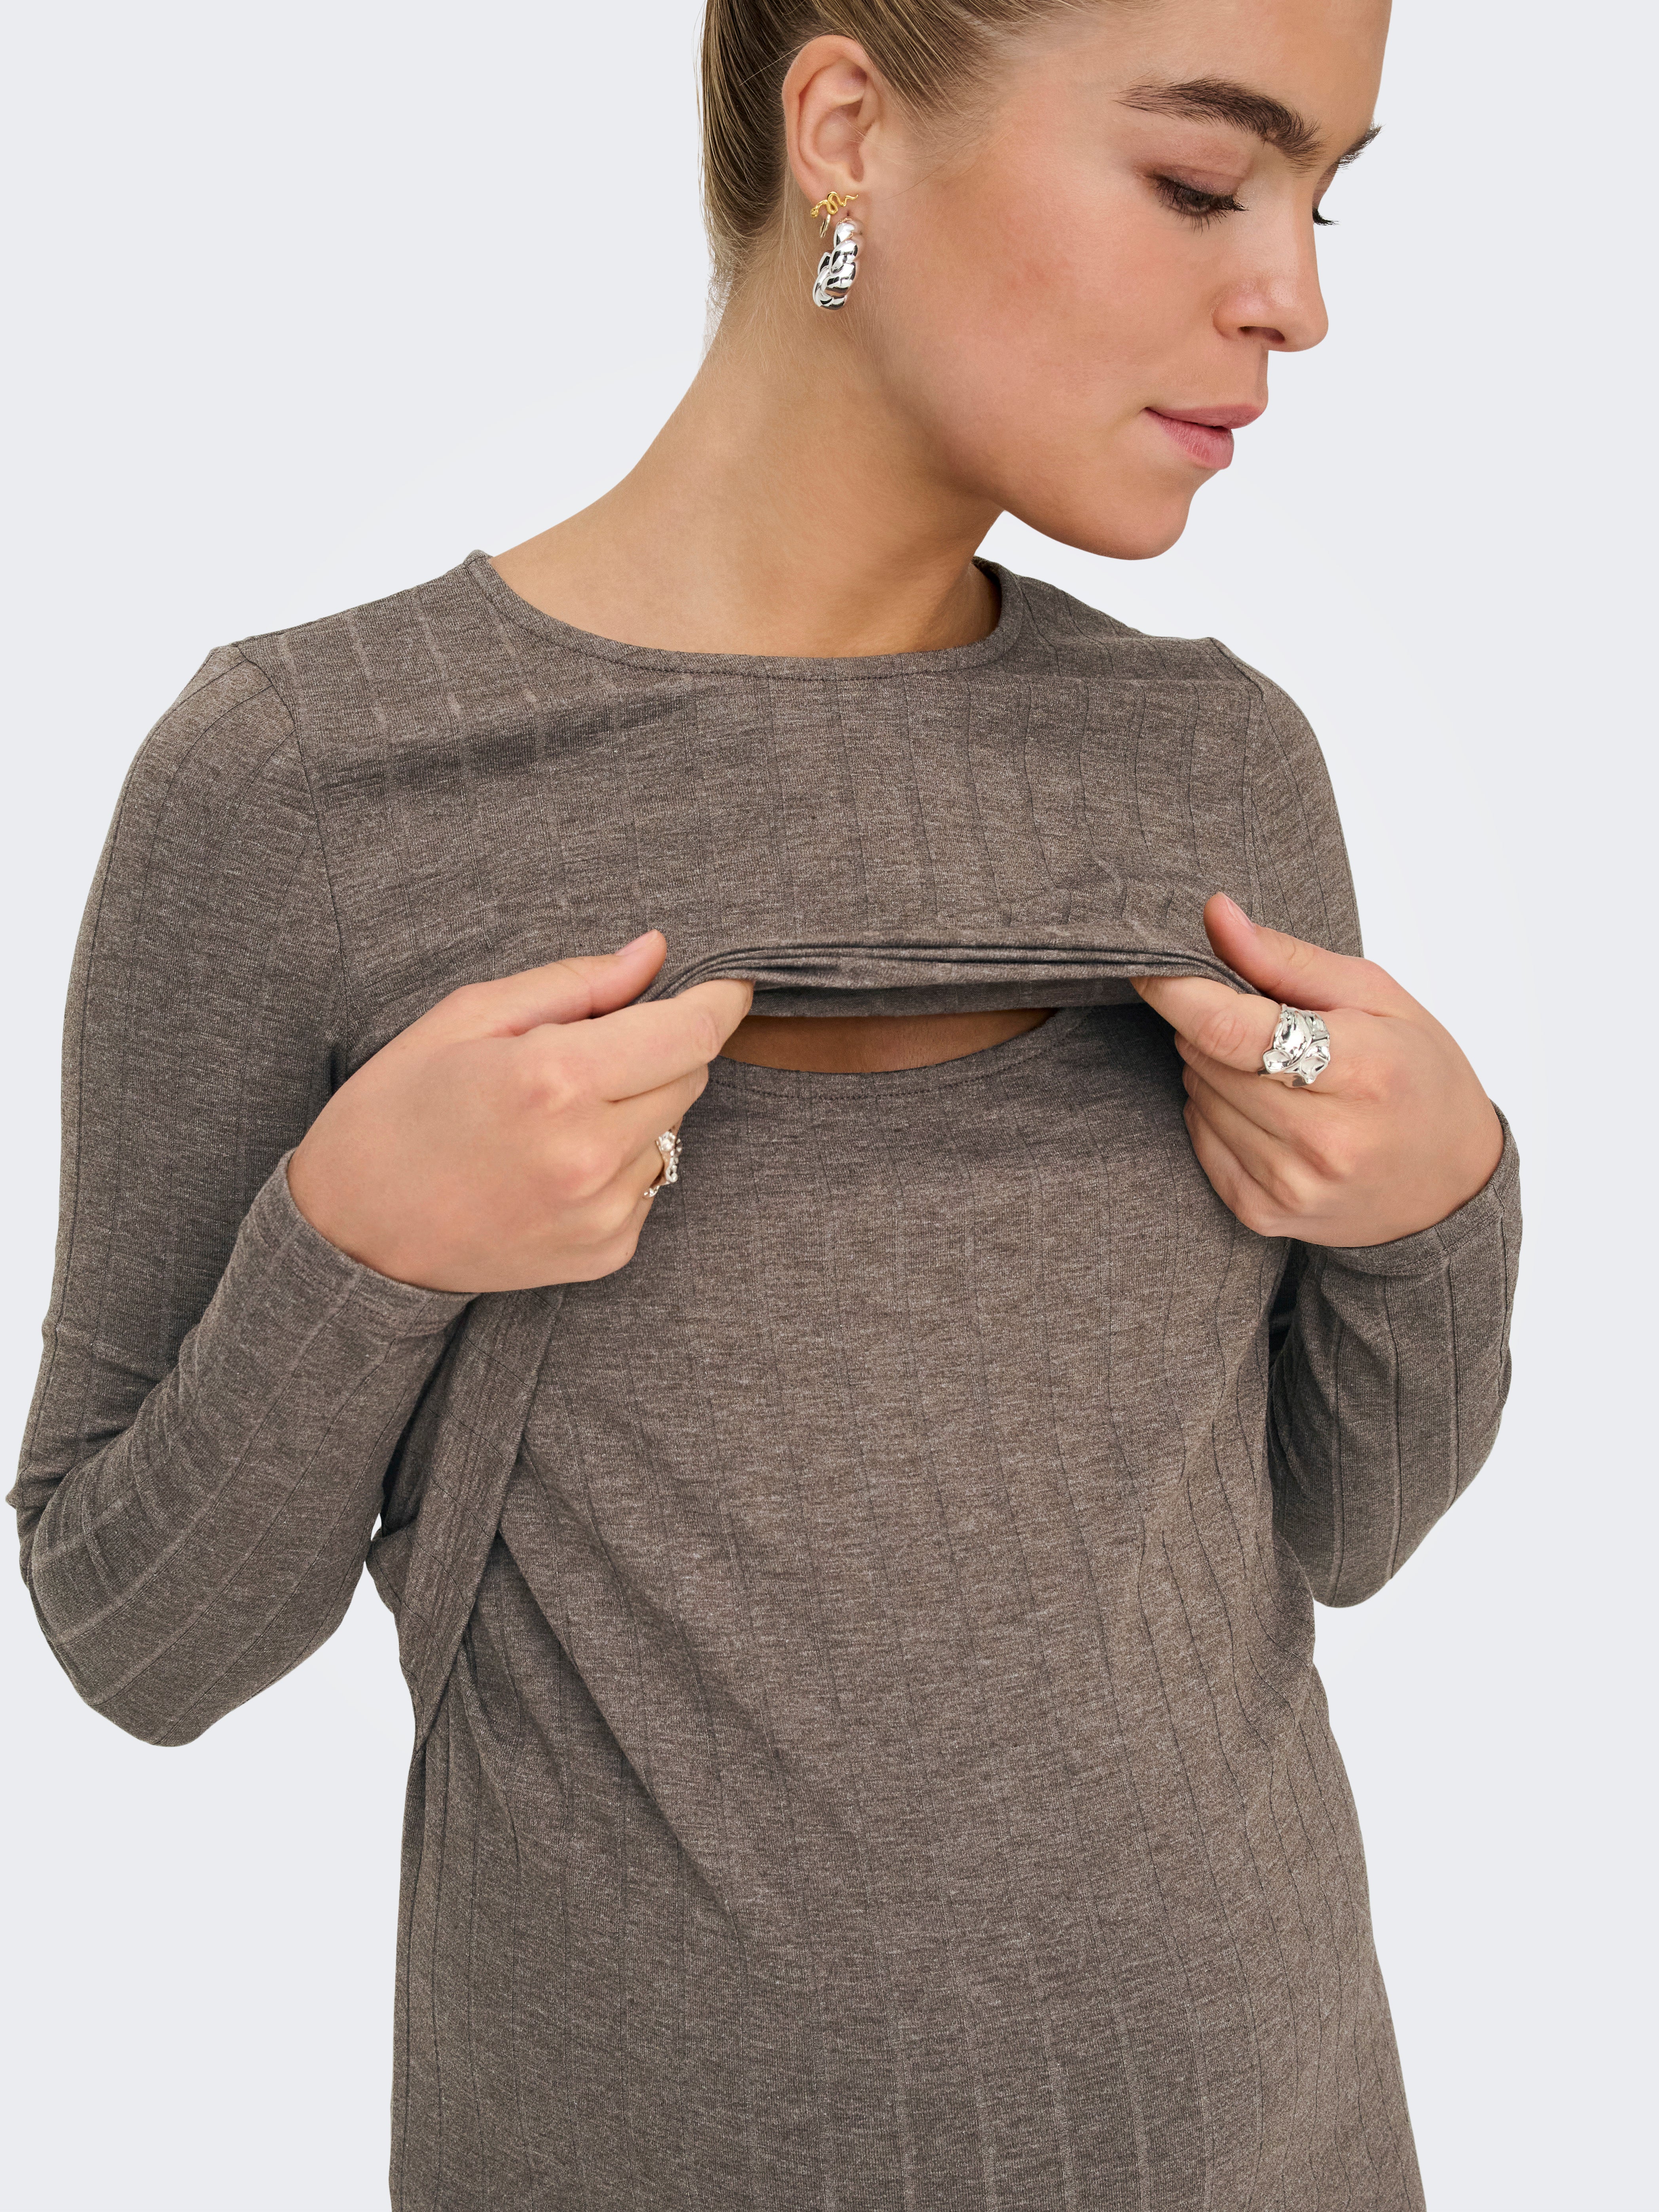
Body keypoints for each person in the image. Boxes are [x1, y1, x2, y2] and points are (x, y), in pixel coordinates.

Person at [10, 0, 1521, 2204]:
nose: (1293, 297)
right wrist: (356, 1247)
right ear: (846, 128)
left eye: (1324, 200)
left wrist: (1439, 1202)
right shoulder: (308, 784)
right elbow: (140, 1641)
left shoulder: (1213, 764)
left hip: (1273, 2147)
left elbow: (1343, 1524)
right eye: (1204, 181)